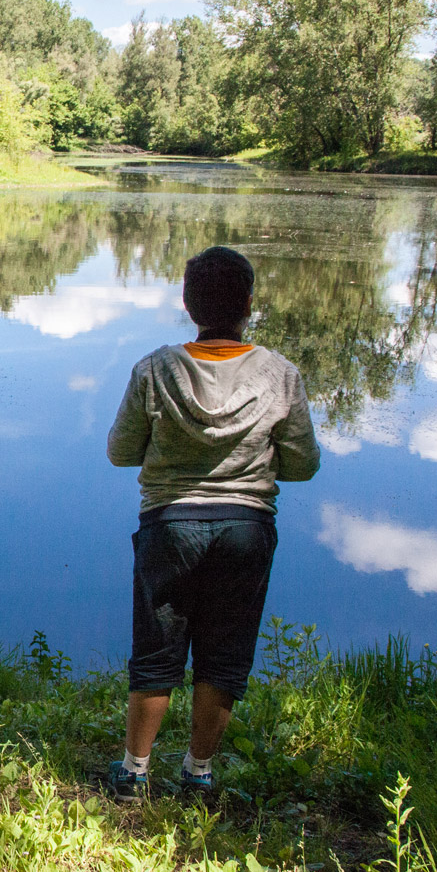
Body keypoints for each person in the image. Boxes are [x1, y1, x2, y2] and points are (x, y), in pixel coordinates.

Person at [104, 246, 320, 800]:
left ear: (187, 301)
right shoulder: (280, 375)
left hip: (169, 525)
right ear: (249, 303)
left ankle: (134, 772)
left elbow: (120, 452)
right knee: (223, 655)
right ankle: (198, 774)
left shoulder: (155, 369)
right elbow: (302, 465)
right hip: (246, 529)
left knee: (156, 650)